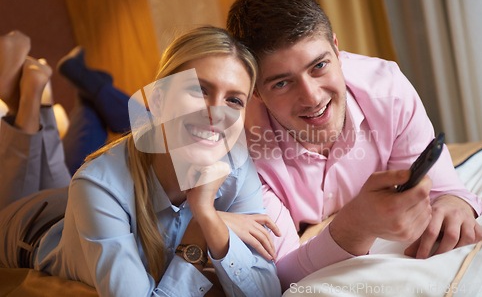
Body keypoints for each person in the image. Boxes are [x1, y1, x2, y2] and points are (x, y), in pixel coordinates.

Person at [226, 0, 482, 290]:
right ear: (255, 91)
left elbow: (444, 189)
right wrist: (353, 227)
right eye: (282, 83)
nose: (311, 97)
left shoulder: (387, 90)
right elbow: (277, 275)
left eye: (319, 65)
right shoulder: (240, 151)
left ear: (336, 49)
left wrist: (454, 205)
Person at [0, 27, 281, 297]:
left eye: (234, 100)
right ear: (157, 100)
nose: (216, 113)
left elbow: (267, 291)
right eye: (199, 90)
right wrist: (200, 226)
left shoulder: (236, 164)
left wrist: (210, 219)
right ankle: (29, 109)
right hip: (30, 228)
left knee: (67, 172)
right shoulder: (98, 184)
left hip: (83, 207)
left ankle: (45, 102)